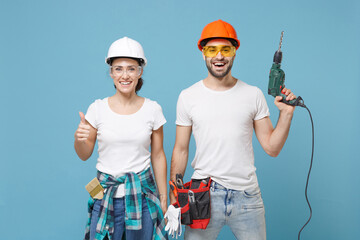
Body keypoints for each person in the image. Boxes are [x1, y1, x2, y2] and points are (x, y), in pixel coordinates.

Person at [170, 20, 297, 240]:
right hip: (203, 196)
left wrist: (286, 115)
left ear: (234, 52)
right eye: (212, 50)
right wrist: (175, 196)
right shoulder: (187, 96)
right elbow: (181, 150)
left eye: (225, 49)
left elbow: (272, 147)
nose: (219, 56)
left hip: (247, 197)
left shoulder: (253, 94)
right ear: (203, 53)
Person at [74, 37, 168, 240]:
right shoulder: (97, 109)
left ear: (140, 71)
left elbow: (158, 155)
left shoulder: (153, 109)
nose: (125, 75)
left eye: (131, 69)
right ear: (111, 72)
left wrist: (163, 198)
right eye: (119, 69)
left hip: (142, 198)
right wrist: (79, 139)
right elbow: (84, 154)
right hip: (104, 196)